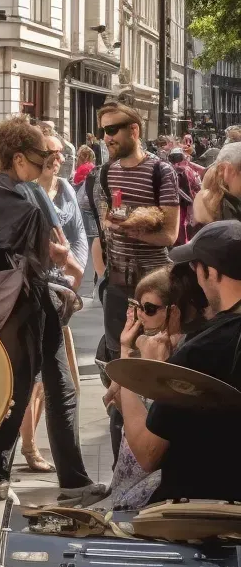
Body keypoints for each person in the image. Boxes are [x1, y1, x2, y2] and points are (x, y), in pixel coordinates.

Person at [0, 118, 104, 505]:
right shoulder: (31, 195)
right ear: (19, 158)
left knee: (20, 388)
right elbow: (54, 252)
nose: (47, 162)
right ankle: (72, 481)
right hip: (34, 299)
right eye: (39, 156)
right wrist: (72, 274)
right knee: (60, 388)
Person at [108, 220, 241, 503]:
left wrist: (132, 374)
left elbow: (147, 452)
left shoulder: (202, 350)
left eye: (196, 267)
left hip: (204, 512)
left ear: (211, 271)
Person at [92, 103, 180, 461]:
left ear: (134, 130)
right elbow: (103, 229)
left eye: (113, 130)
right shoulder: (105, 173)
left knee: (153, 372)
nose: (107, 137)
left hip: (153, 287)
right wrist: (102, 272)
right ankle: (120, 467)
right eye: (103, 131)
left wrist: (134, 230)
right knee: (120, 371)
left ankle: (152, 459)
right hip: (117, 287)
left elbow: (171, 236)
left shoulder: (161, 172)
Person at [17, 132, 88, 473]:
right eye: (52, 152)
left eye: (62, 152)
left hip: (60, 293)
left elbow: (78, 237)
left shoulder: (66, 188)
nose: (59, 157)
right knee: (36, 379)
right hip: (37, 292)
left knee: (54, 381)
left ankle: (31, 449)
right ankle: (28, 447)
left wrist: (73, 278)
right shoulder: (27, 191)